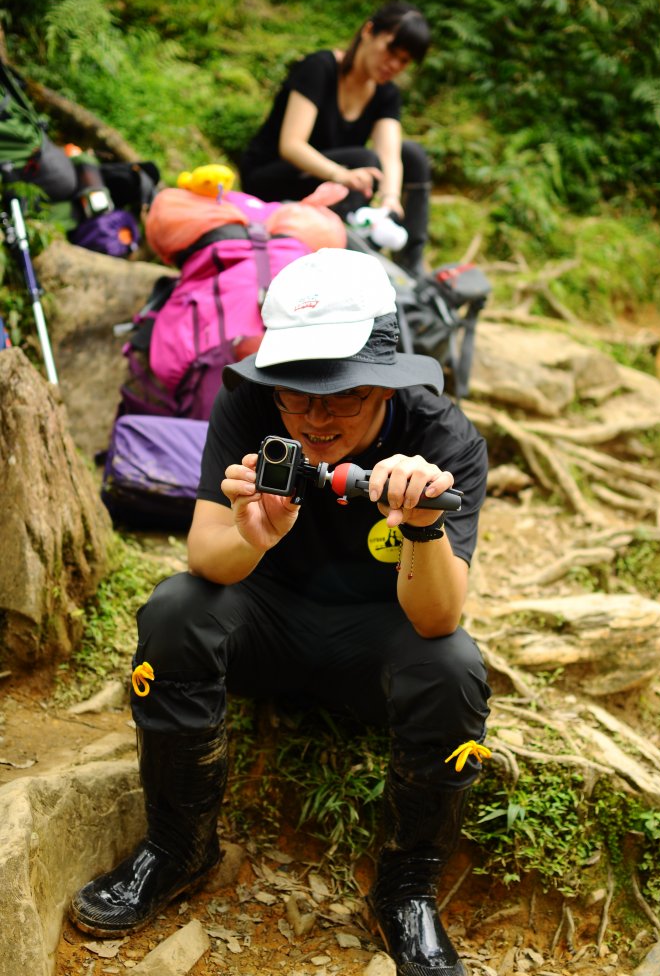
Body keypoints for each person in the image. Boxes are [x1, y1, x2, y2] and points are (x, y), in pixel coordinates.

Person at [70, 248, 492, 976]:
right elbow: (206, 558)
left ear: (385, 387)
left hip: (379, 642)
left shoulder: (443, 441)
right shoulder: (248, 409)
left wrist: (421, 523)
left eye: (341, 397)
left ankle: (406, 892)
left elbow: (435, 622)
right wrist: (253, 533)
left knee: (454, 670)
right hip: (266, 624)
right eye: (296, 394)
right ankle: (179, 846)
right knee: (175, 609)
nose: (314, 418)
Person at [239, 2, 433, 277]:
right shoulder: (319, 68)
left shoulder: (386, 94)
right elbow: (291, 145)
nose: (394, 65)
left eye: (404, 61)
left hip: (328, 181)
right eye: (391, 51)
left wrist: (390, 198)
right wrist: (342, 175)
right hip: (271, 176)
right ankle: (354, 250)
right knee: (364, 159)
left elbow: (390, 154)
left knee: (412, 154)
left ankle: (411, 268)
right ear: (369, 31)